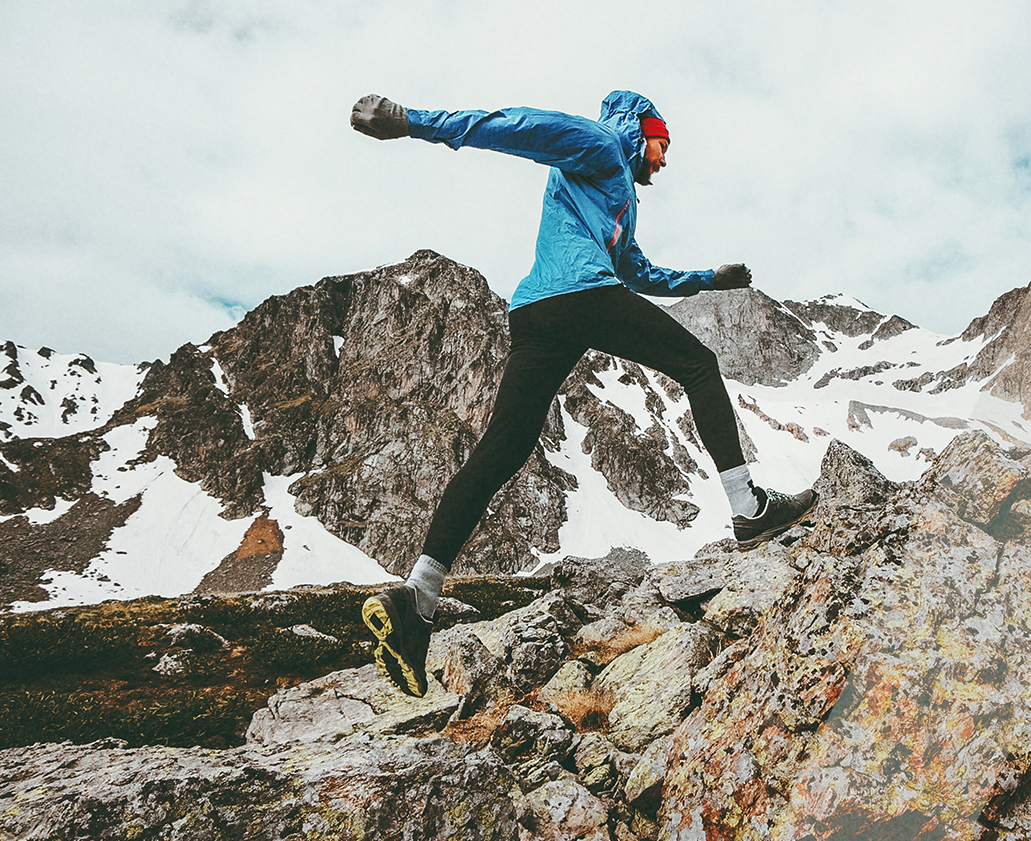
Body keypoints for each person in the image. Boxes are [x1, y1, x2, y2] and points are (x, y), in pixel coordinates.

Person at [350, 89, 818, 697]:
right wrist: (413, 123)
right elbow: (516, 127)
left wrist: (710, 280)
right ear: (642, 131)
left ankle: (417, 600)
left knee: (505, 446)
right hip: (579, 296)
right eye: (663, 144)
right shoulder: (597, 145)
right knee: (700, 365)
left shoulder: (617, 193)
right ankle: (748, 508)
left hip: (540, 313)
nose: (665, 161)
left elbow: (638, 272)